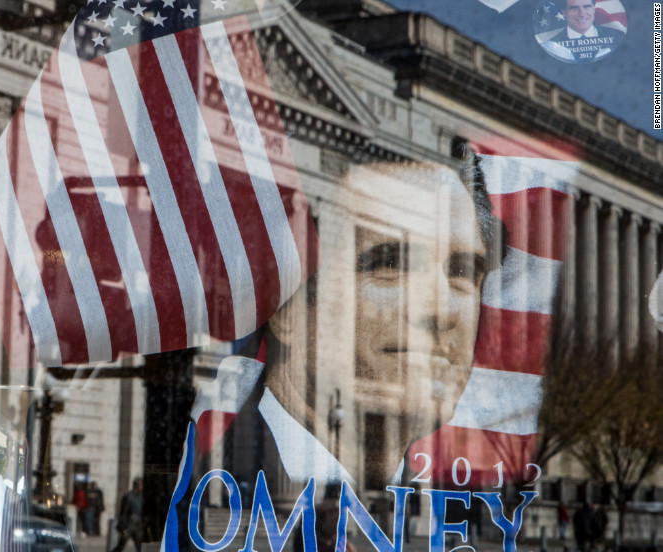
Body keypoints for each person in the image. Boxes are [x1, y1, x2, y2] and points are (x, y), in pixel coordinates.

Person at [162, 155, 506, 551]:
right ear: (287, 310)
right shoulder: (224, 476)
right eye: (390, 263)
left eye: (462, 271)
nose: (442, 310)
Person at [544, 0, 625, 62]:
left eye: (587, 7)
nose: (582, 14)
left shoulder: (616, 37)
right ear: (564, 12)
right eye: (574, 8)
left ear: (594, 9)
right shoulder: (551, 45)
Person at [111, 478, 143, 552]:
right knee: (120, 546)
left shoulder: (141, 497)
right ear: (136, 486)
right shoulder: (128, 497)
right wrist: (122, 525)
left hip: (137, 526)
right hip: (128, 525)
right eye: (140, 485)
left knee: (140, 546)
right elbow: (123, 512)